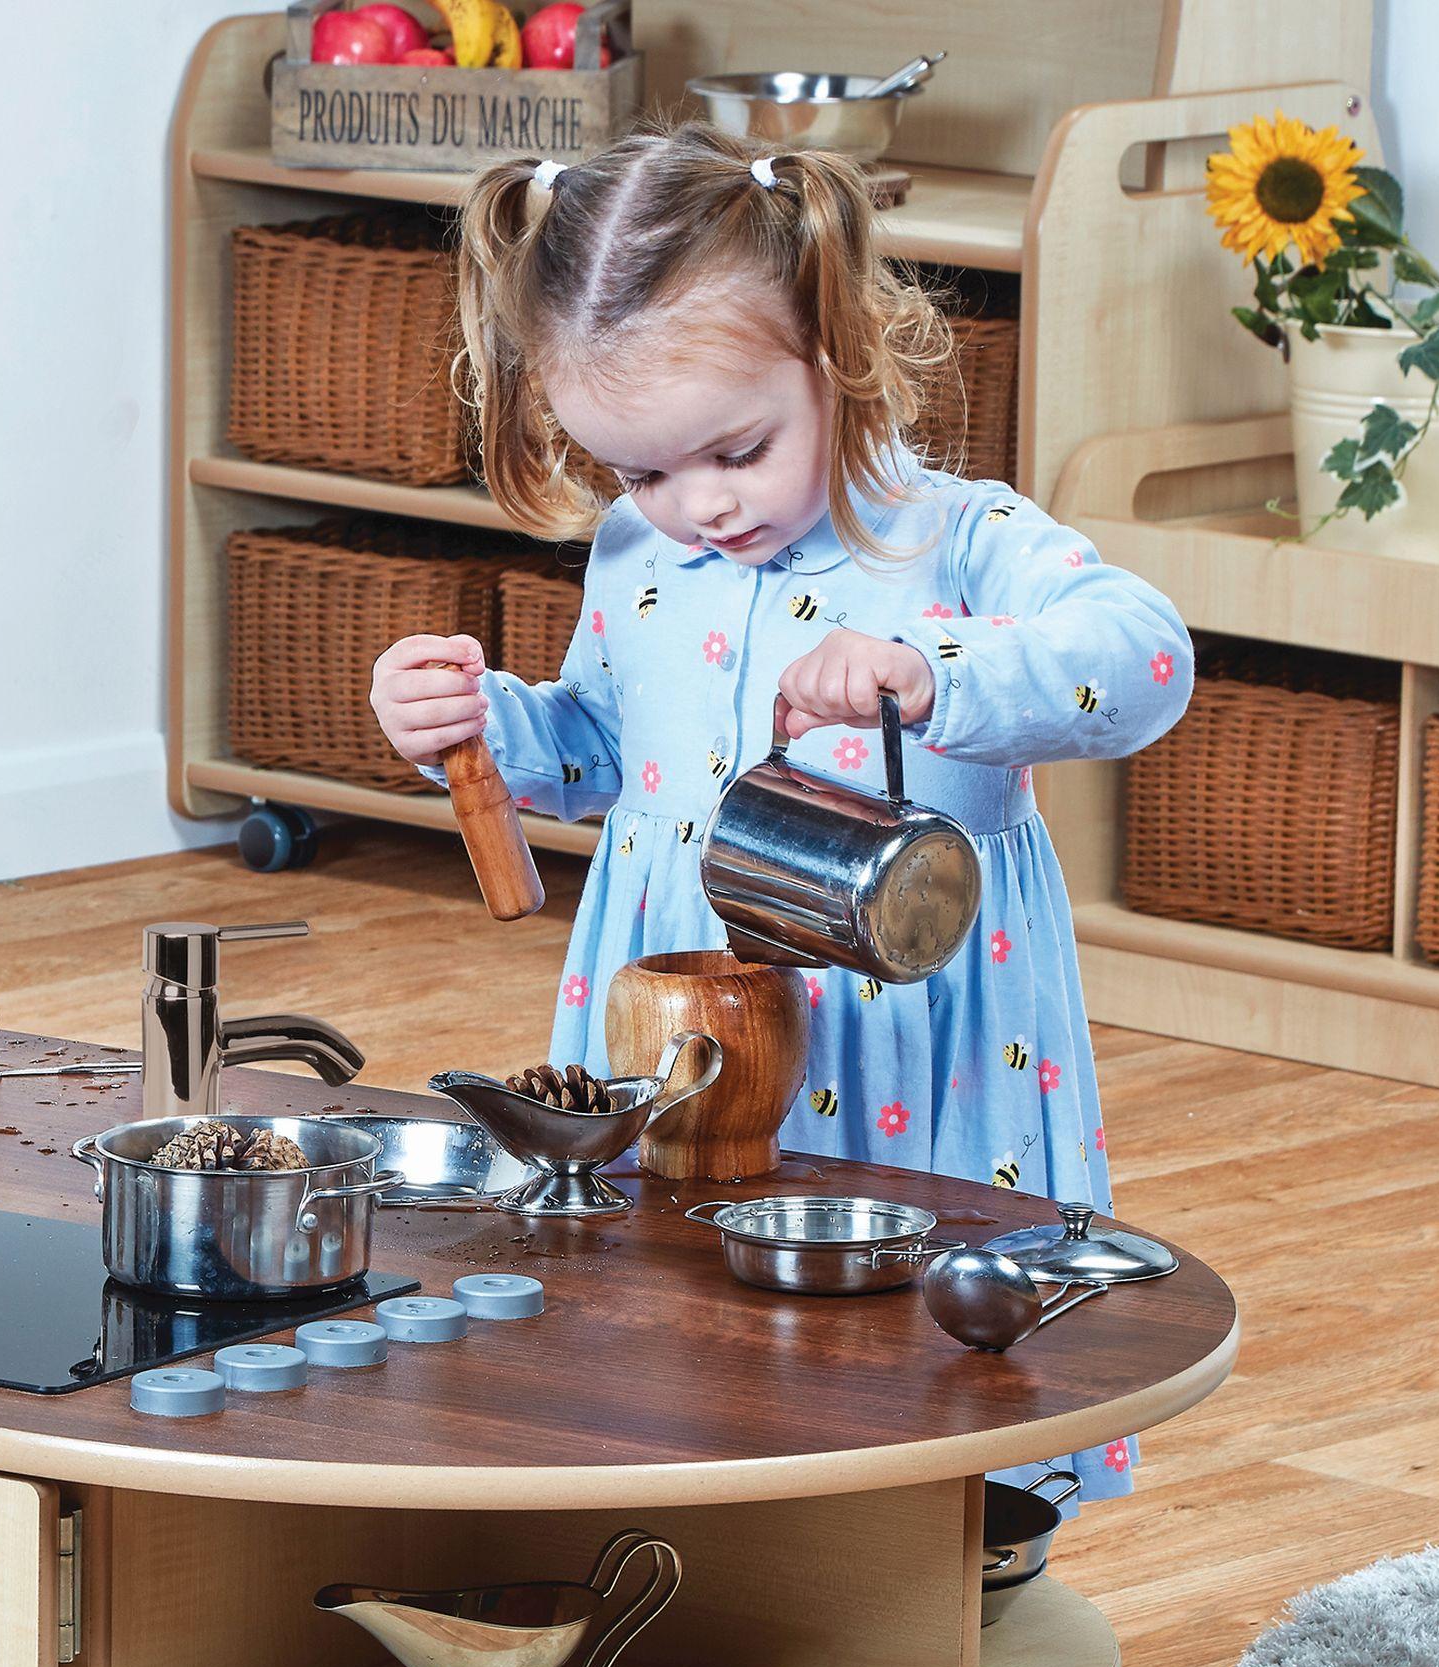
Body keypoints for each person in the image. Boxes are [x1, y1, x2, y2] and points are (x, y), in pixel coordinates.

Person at [365, 132, 1191, 1502]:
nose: (698, 506)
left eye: (737, 450)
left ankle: (950, 1530)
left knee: (910, 1317)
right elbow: (598, 757)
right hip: (686, 1023)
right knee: (688, 1308)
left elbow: (1146, 659)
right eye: (640, 473)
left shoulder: (958, 540)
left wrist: (936, 672)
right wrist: (482, 731)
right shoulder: (642, 556)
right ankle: (719, 1496)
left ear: (836, 348)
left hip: (909, 1031)